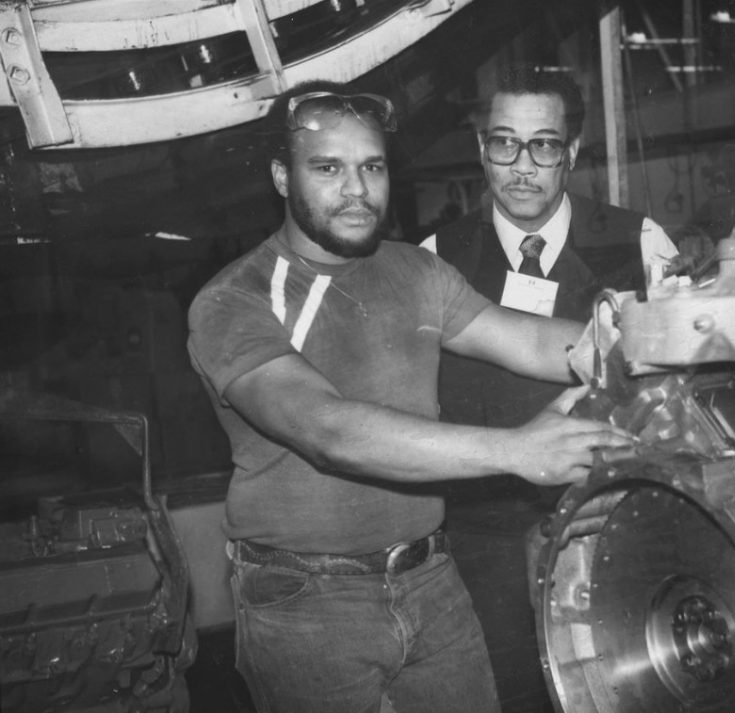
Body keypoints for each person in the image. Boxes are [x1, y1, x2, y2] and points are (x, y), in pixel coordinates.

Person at [186, 79, 635, 713]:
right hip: (308, 600)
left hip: (431, 580)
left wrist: (647, 342)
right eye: (327, 168)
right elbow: (327, 429)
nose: (356, 190)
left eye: (371, 167)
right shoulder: (235, 299)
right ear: (282, 176)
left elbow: (531, 340)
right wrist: (517, 450)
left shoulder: (414, 270)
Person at [421, 66, 680, 430]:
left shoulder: (642, 242)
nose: (522, 168)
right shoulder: (434, 257)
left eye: (543, 145)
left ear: (571, 152)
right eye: (505, 143)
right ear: (483, 148)